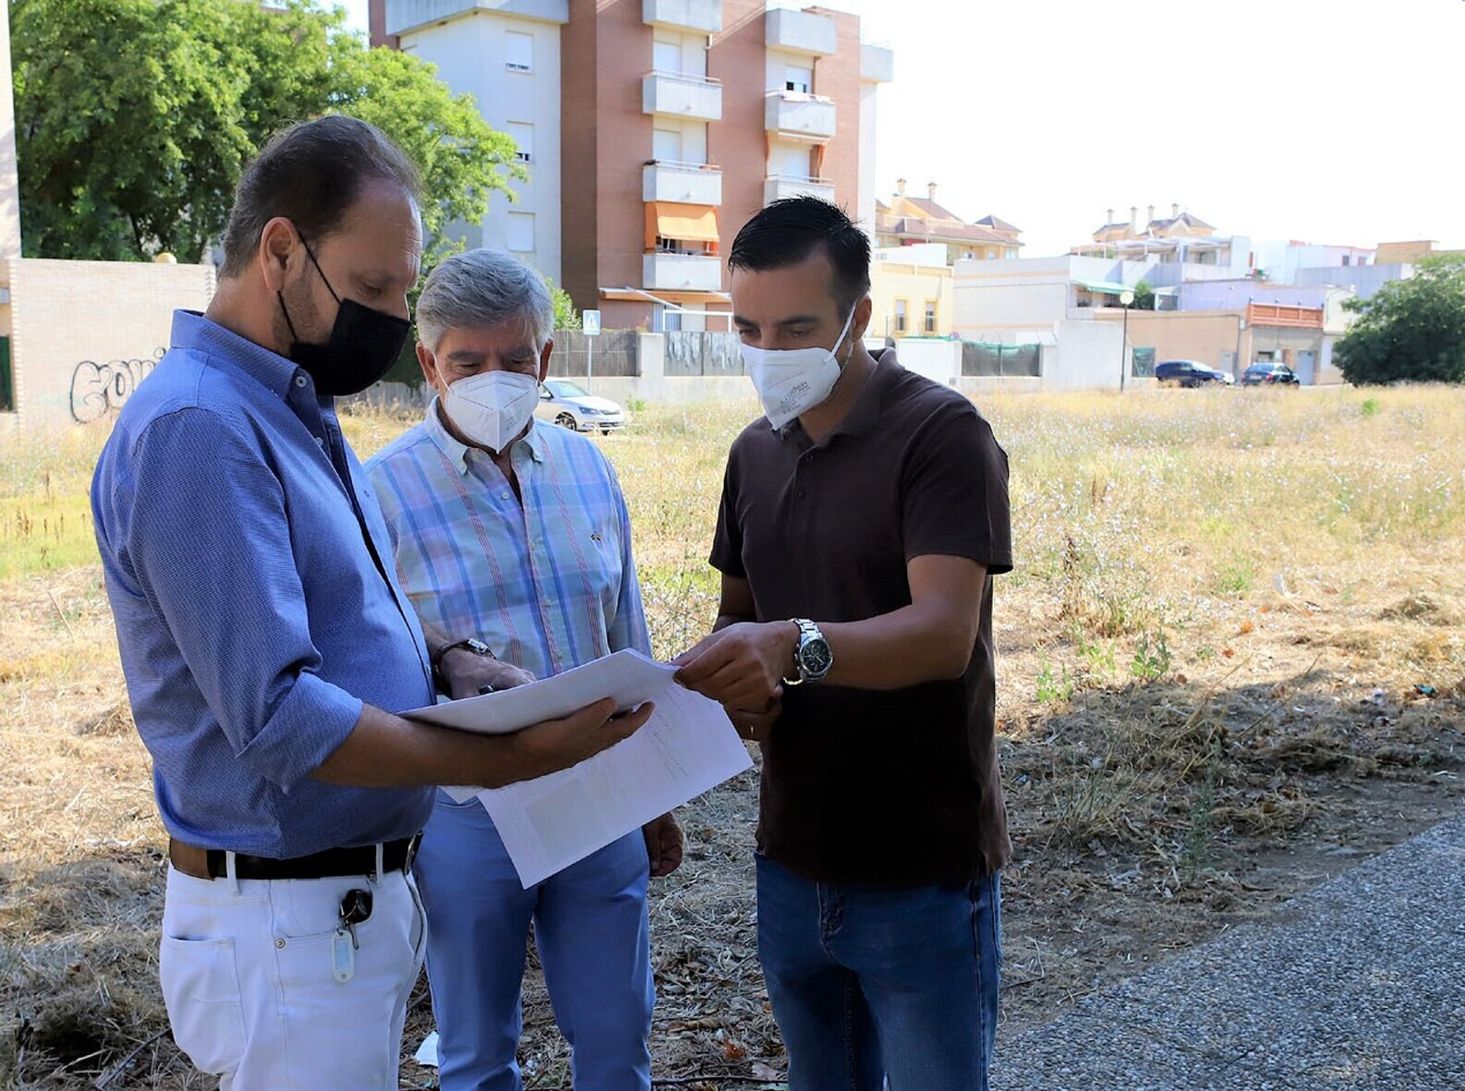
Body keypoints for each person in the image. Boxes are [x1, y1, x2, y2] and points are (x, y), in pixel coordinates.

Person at [90, 116, 650, 1090]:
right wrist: (502, 756)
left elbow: (340, 608)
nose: (396, 318)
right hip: (286, 917)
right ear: (280, 250)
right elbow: (275, 714)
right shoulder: (200, 426)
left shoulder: (290, 408)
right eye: (376, 288)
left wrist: (445, 658)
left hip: (336, 906)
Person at [674, 196, 1013, 1091]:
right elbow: (735, 619)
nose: (768, 354)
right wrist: (728, 685)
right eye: (747, 329)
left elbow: (944, 632)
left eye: (795, 328)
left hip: (921, 864)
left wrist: (791, 645)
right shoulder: (753, 452)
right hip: (790, 856)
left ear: (859, 316)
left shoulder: (942, 435)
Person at [366, 249, 679, 1091]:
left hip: (599, 788)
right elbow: (368, 657)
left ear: (546, 359)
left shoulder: (589, 470)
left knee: (617, 1036)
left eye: (515, 359)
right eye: (469, 361)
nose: (493, 378)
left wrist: (655, 794)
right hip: (468, 809)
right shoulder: (379, 492)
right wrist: (442, 661)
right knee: (474, 1049)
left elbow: (626, 629)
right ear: (429, 362)